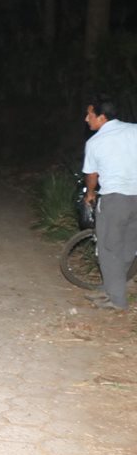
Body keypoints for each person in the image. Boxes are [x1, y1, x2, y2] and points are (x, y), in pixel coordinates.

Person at [82, 96, 137, 310]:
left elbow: (92, 175)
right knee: (128, 248)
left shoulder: (95, 142)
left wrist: (90, 194)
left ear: (102, 117)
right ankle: (111, 289)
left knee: (109, 248)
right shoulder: (134, 130)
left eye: (90, 115)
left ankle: (117, 301)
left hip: (116, 199)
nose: (87, 119)